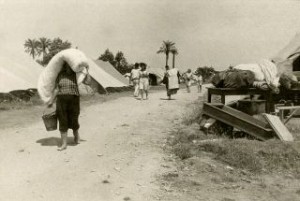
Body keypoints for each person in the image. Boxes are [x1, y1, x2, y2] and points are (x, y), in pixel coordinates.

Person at [48, 62, 88, 151]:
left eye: (70, 66)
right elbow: (57, 89)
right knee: (62, 120)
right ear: (64, 66)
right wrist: (51, 100)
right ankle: (64, 144)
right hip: (61, 100)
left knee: (74, 119)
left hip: (74, 99)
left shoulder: (77, 75)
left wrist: (87, 70)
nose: (68, 68)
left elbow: (88, 81)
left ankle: (76, 136)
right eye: (66, 66)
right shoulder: (60, 75)